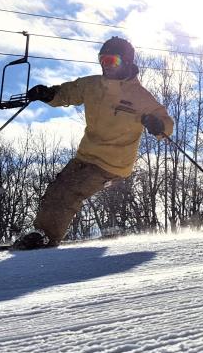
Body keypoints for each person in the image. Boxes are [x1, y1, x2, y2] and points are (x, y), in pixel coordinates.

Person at [12, 36, 173, 250]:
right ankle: (40, 233)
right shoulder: (93, 85)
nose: (107, 67)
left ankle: (45, 238)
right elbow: (68, 92)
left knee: (68, 191)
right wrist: (49, 94)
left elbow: (165, 122)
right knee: (56, 189)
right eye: (103, 61)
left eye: (112, 61)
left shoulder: (139, 96)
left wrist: (157, 124)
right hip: (85, 156)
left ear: (126, 62)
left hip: (112, 163)